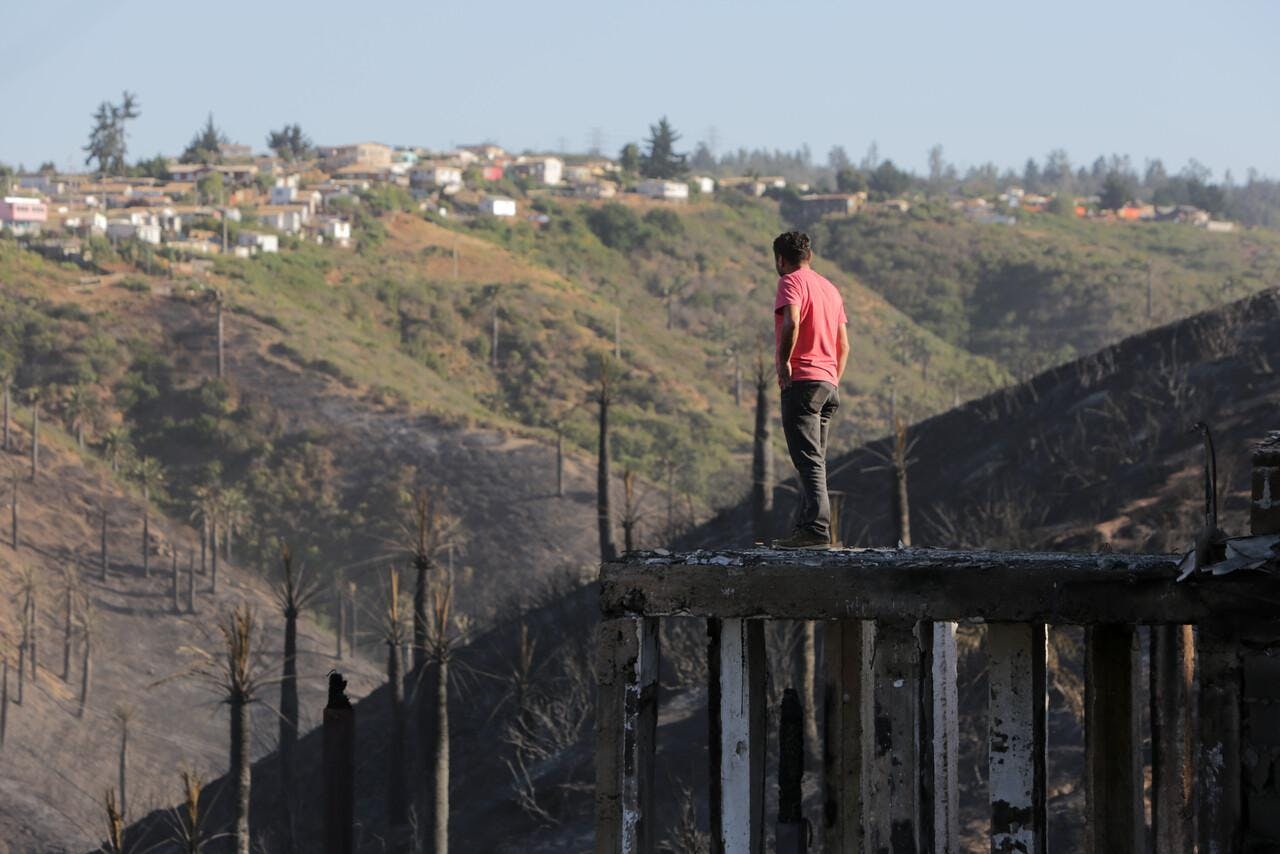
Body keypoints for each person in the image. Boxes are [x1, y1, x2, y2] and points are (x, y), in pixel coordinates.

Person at [770, 231, 849, 549]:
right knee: (816, 460)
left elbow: (791, 322)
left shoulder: (790, 282)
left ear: (780, 259)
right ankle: (807, 528)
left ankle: (815, 530)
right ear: (810, 256)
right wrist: (833, 379)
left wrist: (783, 362)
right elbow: (844, 344)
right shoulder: (830, 289)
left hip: (803, 382)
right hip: (828, 385)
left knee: (808, 461)